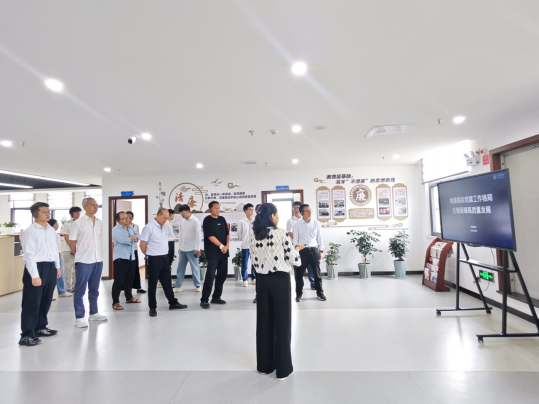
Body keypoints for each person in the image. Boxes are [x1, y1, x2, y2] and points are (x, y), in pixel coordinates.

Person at [250, 203, 304, 380]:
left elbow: (253, 260)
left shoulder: (254, 235)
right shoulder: (281, 233)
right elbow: (294, 259)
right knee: (282, 323)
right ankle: (283, 369)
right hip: (280, 280)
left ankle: (264, 366)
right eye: (277, 214)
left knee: (264, 323)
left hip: (262, 282)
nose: (278, 217)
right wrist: (298, 248)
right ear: (272, 216)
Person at [19, 203, 61, 346]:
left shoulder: (50, 230)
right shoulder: (29, 232)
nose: (48, 214)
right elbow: (29, 256)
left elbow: (55, 250)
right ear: (35, 214)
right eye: (44, 212)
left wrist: (57, 267)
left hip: (50, 267)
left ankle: (40, 327)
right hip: (36, 268)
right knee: (32, 302)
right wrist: (35, 275)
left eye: (48, 211)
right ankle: (26, 334)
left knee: (46, 300)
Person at [67, 197, 108, 328]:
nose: (95, 207)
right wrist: (78, 255)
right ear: (85, 207)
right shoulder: (78, 223)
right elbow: (72, 242)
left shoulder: (100, 222)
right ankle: (79, 317)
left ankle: (94, 313)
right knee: (80, 289)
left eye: (96, 205)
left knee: (94, 289)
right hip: (84, 261)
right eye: (92, 205)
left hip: (97, 260)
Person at [140, 208, 187, 317]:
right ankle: (152, 307)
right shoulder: (149, 227)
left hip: (165, 258)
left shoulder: (165, 226)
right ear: (158, 215)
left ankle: (172, 302)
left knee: (167, 282)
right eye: (164, 218)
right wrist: (147, 254)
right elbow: (142, 244)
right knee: (152, 284)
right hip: (154, 259)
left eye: (167, 218)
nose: (166, 220)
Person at [293, 204, 327, 302]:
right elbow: (295, 239)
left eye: (310, 210)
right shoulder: (297, 225)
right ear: (302, 213)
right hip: (302, 251)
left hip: (313, 250)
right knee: (299, 274)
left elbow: (319, 237)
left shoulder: (316, 223)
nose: (310, 212)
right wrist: (296, 252)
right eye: (307, 211)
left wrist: (321, 250)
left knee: (317, 273)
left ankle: (320, 293)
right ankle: (299, 294)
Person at [200, 201, 229, 309]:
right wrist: (222, 246)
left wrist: (227, 246)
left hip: (223, 252)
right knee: (210, 276)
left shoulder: (222, 219)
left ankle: (216, 297)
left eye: (219, 207)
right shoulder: (207, 220)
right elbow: (210, 236)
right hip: (212, 253)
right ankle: (204, 300)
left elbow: (227, 234)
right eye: (215, 208)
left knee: (222, 275)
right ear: (210, 209)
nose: (218, 210)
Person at [111, 211, 142, 310]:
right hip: (121, 258)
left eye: (127, 217)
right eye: (124, 218)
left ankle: (129, 297)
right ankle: (115, 302)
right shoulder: (116, 230)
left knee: (129, 279)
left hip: (131, 257)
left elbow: (140, 236)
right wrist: (132, 239)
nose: (127, 220)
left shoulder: (130, 228)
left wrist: (133, 238)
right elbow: (124, 240)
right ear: (118, 220)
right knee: (119, 280)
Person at [287, 201, 316, 289]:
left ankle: (313, 283)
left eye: (298, 208)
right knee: (298, 266)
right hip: (297, 247)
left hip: (308, 247)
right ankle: (299, 285)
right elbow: (290, 233)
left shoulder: (308, 219)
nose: (296, 209)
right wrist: (299, 242)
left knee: (310, 266)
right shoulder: (290, 221)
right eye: (294, 208)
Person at [173, 204, 202, 292]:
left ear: (188, 211)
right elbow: (181, 235)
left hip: (192, 249)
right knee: (180, 268)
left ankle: (198, 285)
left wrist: (198, 249)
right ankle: (178, 286)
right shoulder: (183, 221)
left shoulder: (195, 221)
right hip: (183, 249)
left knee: (195, 268)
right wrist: (180, 246)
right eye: (181, 214)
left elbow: (198, 236)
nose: (182, 215)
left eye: (183, 213)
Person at [47, 219, 72, 298]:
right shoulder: (49, 234)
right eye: (56, 224)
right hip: (53, 255)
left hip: (57, 254)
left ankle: (60, 291)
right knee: (56, 274)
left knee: (59, 274)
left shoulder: (55, 234)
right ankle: (58, 292)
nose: (57, 226)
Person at [61, 206, 81, 293]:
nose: (78, 213)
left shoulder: (81, 223)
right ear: (72, 213)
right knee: (67, 269)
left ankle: (75, 287)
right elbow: (66, 237)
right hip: (68, 250)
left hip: (79, 250)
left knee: (76, 270)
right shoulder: (67, 223)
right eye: (76, 212)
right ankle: (67, 287)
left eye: (79, 212)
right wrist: (72, 248)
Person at [126, 211, 145, 293]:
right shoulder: (122, 227)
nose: (128, 219)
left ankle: (138, 287)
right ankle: (126, 288)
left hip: (134, 249)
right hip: (125, 251)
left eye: (129, 217)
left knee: (135, 268)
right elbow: (124, 238)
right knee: (126, 269)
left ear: (132, 218)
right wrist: (131, 238)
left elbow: (138, 237)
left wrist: (131, 238)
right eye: (126, 217)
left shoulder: (135, 226)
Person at [237, 203, 256, 287]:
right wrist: (244, 239)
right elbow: (239, 234)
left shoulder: (255, 221)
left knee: (254, 263)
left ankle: (254, 278)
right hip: (245, 245)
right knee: (244, 264)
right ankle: (245, 279)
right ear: (245, 211)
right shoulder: (241, 221)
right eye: (250, 209)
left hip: (254, 246)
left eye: (252, 209)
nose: (252, 211)